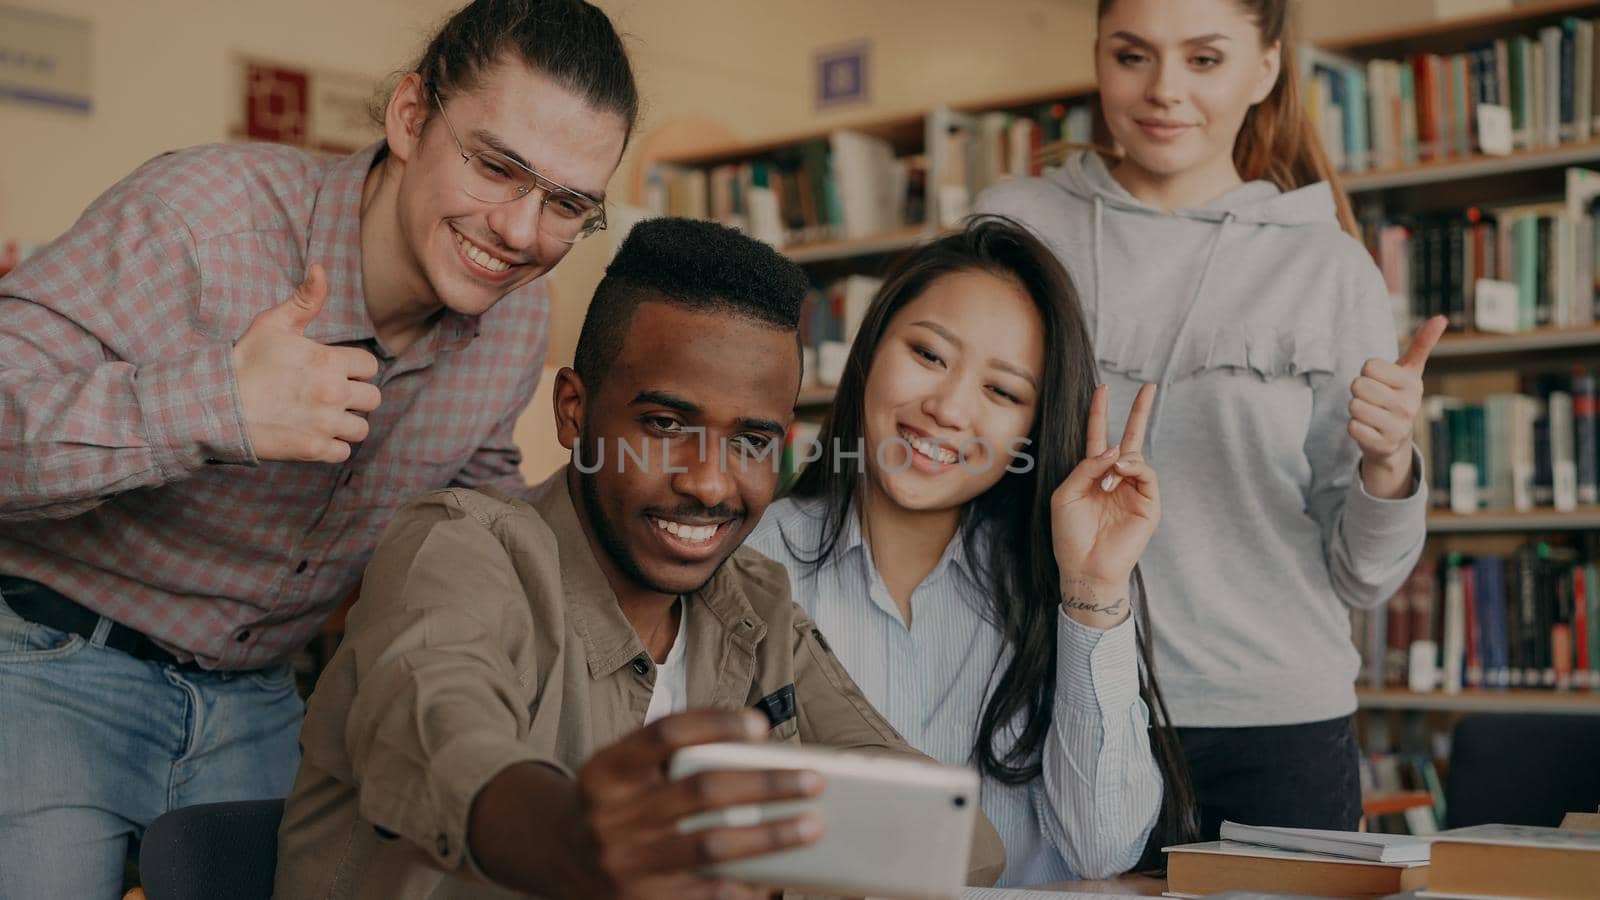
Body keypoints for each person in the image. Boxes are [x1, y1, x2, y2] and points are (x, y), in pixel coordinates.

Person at [0, 1, 635, 895]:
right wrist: (216, 402)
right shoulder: (205, 219)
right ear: (410, 118)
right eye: (497, 167)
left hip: (261, 697)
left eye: (568, 204)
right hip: (54, 661)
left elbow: (471, 510)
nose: (524, 234)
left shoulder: (516, 321)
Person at [273, 217, 1007, 899]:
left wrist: (753, 861)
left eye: (751, 441)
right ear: (573, 411)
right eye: (663, 424)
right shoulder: (461, 545)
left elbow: (957, 834)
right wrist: (574, 836)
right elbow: (439, 731)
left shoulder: (755, 600)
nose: (711, 482)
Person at [976, 0, 1445, 840]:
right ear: (1096, 58)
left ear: (1265, 69)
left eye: (1203, 59)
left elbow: (1366, 575)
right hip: (1044, 695)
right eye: (1132, 56)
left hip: (1272, 724)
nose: (1164, 91)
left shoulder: (1328, 267)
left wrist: (1388, 465)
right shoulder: (1016, 222)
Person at [746, 216, 1195, 885]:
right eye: (929, 355)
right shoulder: (752, 559)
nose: (950, 408)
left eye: (1003, 391)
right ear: (871, 348)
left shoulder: (1050, 582)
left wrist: (1094, 589)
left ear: (1031, 431)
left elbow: (1106, 849)